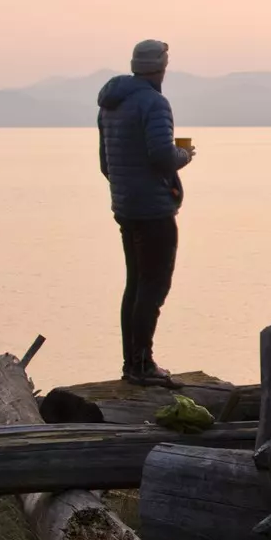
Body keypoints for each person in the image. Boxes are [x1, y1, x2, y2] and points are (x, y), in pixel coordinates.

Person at [98, 39, 193, 385]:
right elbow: (161, 156)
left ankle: (132, 364)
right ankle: (142, 366)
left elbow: (105, 164)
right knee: (154, 287)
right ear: (162, 67)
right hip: (153, 210)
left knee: (135, 284)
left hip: (125, 207)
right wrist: (185, 155)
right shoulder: (154, 103)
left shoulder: (110, 104)